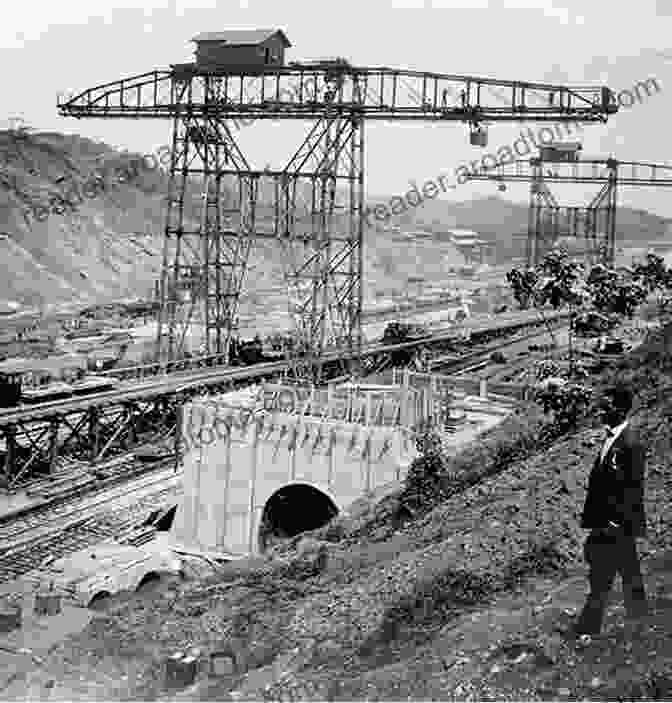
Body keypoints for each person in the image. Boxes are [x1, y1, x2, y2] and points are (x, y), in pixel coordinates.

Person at [566, 382, 648, 638]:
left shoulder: (630, 443)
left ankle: (588, 627)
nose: (602, 408)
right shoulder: (613, 438)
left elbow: (632, 489)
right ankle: (640, 616)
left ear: (621, 409)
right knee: (628, 568)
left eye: (608, 404)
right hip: (610, 521)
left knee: (601, 577)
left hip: (616, 523)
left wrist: (616, 521)